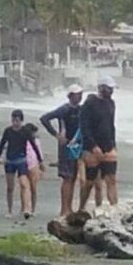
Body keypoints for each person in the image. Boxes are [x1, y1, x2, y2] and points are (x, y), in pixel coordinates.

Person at [39, 84, 97, 217]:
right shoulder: (64, 109)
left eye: (81, 94)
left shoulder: (81, 109)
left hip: (78, 146)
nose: (80, 96)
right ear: (70, 96)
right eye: (77, 94)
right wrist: (56, 134)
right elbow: (44, 118)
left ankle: (71, 208)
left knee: (74, 177)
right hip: (66, 146)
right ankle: (64, 209)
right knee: (67, 177)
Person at [78, 75, 118, 212]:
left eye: (112, 88)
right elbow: (84, 127)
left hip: (108, 146)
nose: (111, 91)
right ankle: (81, 207)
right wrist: (93, 146)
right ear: (101, 88)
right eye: (109, 88)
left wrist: (113, 144)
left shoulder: (111, 103)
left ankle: (115, 209)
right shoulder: (89, 103)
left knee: (111, 179)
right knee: (90, 182)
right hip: (92, 148)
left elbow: (111, 125)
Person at [0, 109, 44, 220]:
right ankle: (9, 210)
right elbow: (2, 144)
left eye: (17, 120)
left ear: (21, 120)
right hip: (10, 161)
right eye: (13, 120)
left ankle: (27, 208)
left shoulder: (25, 131)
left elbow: (34, 146)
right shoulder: (8, 131)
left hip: (21, 160)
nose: (15, 123)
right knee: (10, 187)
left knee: (24, 183)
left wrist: (40, 161)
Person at [24, 123, 45, 217]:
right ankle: (29, 208)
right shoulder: (27, 140)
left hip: (31, 164)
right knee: (29, 188)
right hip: (30, 164)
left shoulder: (35, 141)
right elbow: (39, 153)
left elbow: (39, 152)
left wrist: (40, 164)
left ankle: (30, 208)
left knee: (30, 188)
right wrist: (41, 164)